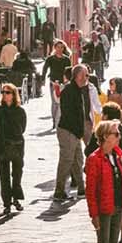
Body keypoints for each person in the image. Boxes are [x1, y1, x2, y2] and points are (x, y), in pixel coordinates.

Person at [86, 103, 122, 243]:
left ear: (106, 116)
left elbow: (88, 150)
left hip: (117, 177)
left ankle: (111, 239)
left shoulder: (104, 130)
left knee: (114, 208)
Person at [53, 65, 93, 202]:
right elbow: (69, 114)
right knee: (67, 161)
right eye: (84, 75)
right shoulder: (70, 90)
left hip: (75, 131)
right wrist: (77, 131)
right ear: (77, 76)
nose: (86, 78)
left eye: (87, 75)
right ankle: (59, 191)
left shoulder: (78, 89)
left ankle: (82, 188)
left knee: (77, 160)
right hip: (68, 131)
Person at [0, 82, 27, 214]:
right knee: (4, 175)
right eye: (3, 92)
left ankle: (16, 198)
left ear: (13, 95)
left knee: (17, 174)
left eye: (8, 92)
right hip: (2, 145)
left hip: (17, 145)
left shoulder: (20, 111)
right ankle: (7, 202)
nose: (5, 95)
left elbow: (23, 128)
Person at [44, 40, 72, 127]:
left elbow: (69, 71)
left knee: (63, 102)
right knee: (54, 102)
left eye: (62, 47)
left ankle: (60, 120)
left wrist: (69, 81)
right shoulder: (50, 59)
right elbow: (44, 69)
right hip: (54, 83)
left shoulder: (66, 59)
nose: (60, 49)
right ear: (55, 48)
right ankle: (54, 121)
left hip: (64, 83)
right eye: (58, 47)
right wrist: (42, 79)